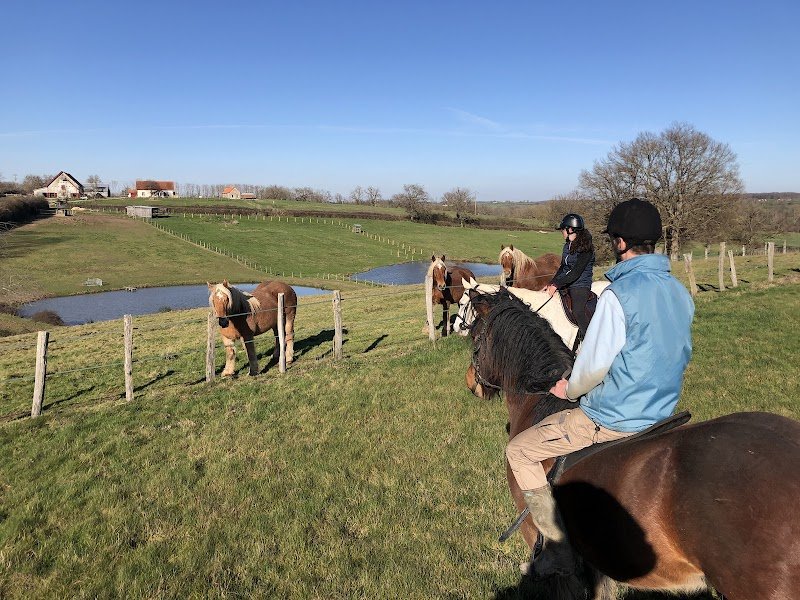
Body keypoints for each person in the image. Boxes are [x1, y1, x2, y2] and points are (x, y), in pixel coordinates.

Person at [506, 199, 695, 578]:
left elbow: (591, 369)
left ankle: (556, 551)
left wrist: (568, 389)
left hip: (614, 417)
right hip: (663, 410)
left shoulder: (615, 296)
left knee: (520, 450)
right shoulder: (679, 291)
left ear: (621, 243)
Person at [545, 214, 596, 341]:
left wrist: (557, 285)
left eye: (563, 229)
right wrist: (551, 283)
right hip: (568, 283)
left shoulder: (586, 249)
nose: (562, 232)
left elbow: (575, 273)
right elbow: (563, 268)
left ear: (570, 229)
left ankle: (589, 340)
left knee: (578, 311)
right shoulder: (567, 246)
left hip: (580, 285)